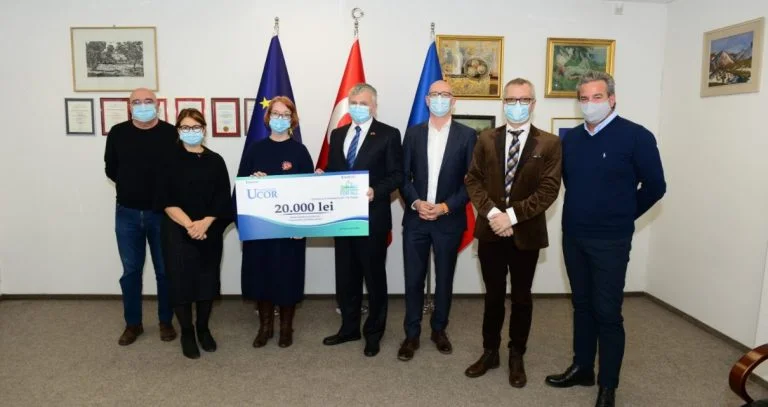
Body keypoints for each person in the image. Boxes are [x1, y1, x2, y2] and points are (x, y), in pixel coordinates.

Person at [545, 71, 666, 407]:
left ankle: (608, 386)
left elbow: (656, 186)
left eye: (597, 97)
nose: (590, 104)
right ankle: (582, 367)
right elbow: (569, 182)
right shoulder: (570, 139)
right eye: (583, 98)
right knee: (581, 305)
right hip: (574, 236)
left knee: (607, 312)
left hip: (611, 240)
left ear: (612, 99)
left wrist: (623, 215)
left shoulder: (636, 136)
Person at [464, 78, 562, 387]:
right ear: (503, 103)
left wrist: (512, 216)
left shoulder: (549, 143)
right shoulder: (485, 138)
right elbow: (473, 180)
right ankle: (490, 352)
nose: (516, 105)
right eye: (510, 100)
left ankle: (516, 354)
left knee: (521, 298)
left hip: (526, 234)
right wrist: (494, 214)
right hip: (491, 231)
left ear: (533, 104)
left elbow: (548, 190)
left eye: (523, 100)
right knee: (493, 296)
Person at [320, 83, 403, 357]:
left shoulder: (389, 134)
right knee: (346, 277)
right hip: (343, 219)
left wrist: (375, 191)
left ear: (374, 106)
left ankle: (374, 333)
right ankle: (349, 328)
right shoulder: (338, 134)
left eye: (363, 103)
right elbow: (335, 171)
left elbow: (397, 175)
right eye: (353, 103)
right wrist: (322, 178)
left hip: (372, 219)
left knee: (374, 278)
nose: (358, 107)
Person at [398, 80, 476, 361]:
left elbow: (472, 181)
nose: (440, 99)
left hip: (448, 220)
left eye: (445, 95)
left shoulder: (468, 136)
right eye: (435, 94)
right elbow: (402, 176)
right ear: (427, 100)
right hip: (416, 218)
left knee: (444, 279)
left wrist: (445, 207)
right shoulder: (413, 133)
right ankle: (411, 334)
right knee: (413, 279)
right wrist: (416, 202)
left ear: (453, 101)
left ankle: (439, 329)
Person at [237, 96, 314, 349]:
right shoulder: (255, 150)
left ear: (292, 120)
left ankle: (286, 328)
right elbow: (240, 189)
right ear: (268, 118)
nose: (280, 119)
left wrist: (303, 227)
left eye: (285, 115)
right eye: (276, 114)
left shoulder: (300, 152)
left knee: (288, 279)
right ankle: (265, 327)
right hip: (261, 230)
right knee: (262, 278)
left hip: (290, 232)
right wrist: (253, 182)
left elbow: (310, 193)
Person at [155, 108, 232, 359]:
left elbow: (223, 198)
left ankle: (203, 329)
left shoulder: (215, 160)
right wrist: (190, 225)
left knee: (207, 282)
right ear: (178, 130)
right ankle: (187, 332)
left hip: (209, 231)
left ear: (204, 129)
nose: (191, 132)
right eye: (186, 128)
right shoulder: (168, 159)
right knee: (181, 282)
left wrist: (205, 223)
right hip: (177, 230)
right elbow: (166, 199)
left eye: (196, 127)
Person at [104, 88, 177, 346]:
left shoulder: (171, 133)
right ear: (129, 106)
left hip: (163, 214)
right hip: (127, 213)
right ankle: (133, 323)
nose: (142, 105)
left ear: (157, 105)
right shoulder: (118, 133)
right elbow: (111, 169)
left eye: (148, 101)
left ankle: (166, 321)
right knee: (131, 271)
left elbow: (178, 170)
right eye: (137, 102)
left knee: (165, 271)